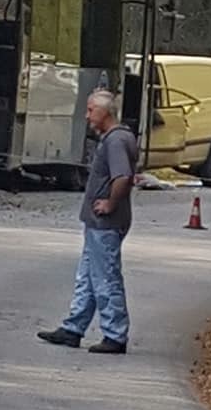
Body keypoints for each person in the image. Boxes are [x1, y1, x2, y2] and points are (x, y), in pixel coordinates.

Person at [37, 89, 137, 355]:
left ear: (105, 112)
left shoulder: (116, 141)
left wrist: (110, 203)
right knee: (88, 277)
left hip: (106, 222)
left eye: (91, 110)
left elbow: (123, 177)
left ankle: (115, 335)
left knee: (105, 278)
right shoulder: (116, 138)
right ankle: (73, 328)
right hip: (97, 223)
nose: (87, 115)